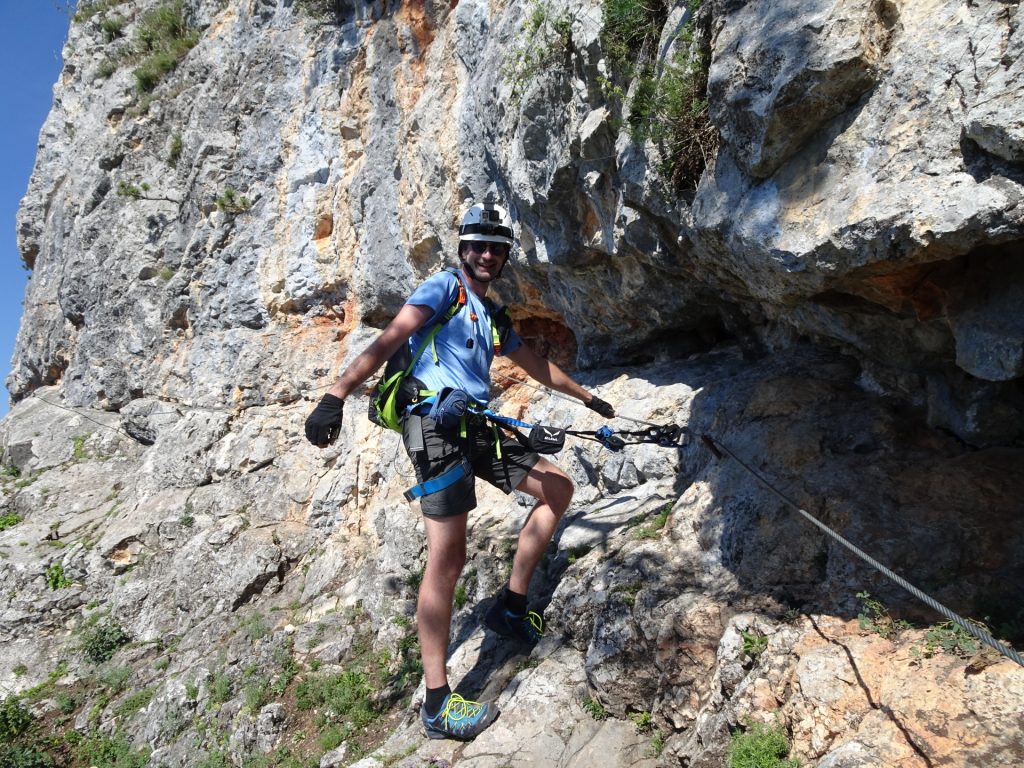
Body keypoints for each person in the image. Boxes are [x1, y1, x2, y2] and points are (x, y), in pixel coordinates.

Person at [303, 201, 615, 741]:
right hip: (432, 426)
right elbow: (389, 339)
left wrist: (588, 398)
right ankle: (436, 702)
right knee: (448, 556)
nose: (488, 254)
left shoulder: (492, 316)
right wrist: (335, 395)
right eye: (479, 245)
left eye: (497, 247)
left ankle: (511, 607)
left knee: (556, 488)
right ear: (463, 249)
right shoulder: (443, 290)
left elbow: (534, 365)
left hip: (472, 424)